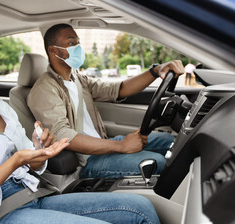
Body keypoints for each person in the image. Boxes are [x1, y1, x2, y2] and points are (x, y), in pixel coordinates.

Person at [0, 11, 165, 224]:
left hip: (31, 197)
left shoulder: (1, 108)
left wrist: (37, 152)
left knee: (141, 210)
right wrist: (11, 164)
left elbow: (30, 163)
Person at [28, 23, 184, 179]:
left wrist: (155, 71)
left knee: (173, 142)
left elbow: (117, 89)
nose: (78, 47)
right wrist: (122, 146)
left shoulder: (78, 79)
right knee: (157, 162)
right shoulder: (44, 89)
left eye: (78, 43)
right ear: (53, 50)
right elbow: (64, 135)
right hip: (87, 160)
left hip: (103, 144)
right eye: (71, 43)